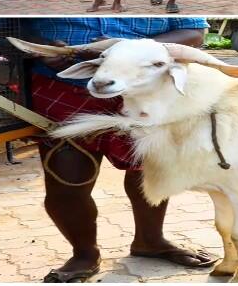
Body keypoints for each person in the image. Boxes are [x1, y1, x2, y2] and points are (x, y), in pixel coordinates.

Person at [21, 18, 216, 283]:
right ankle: (84, 254)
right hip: (63, 86)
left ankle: (150, 241)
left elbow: (194, 33)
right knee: (66, 179)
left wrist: (118, 51)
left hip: (148, 92)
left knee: (150, 171)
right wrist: (45, 48)